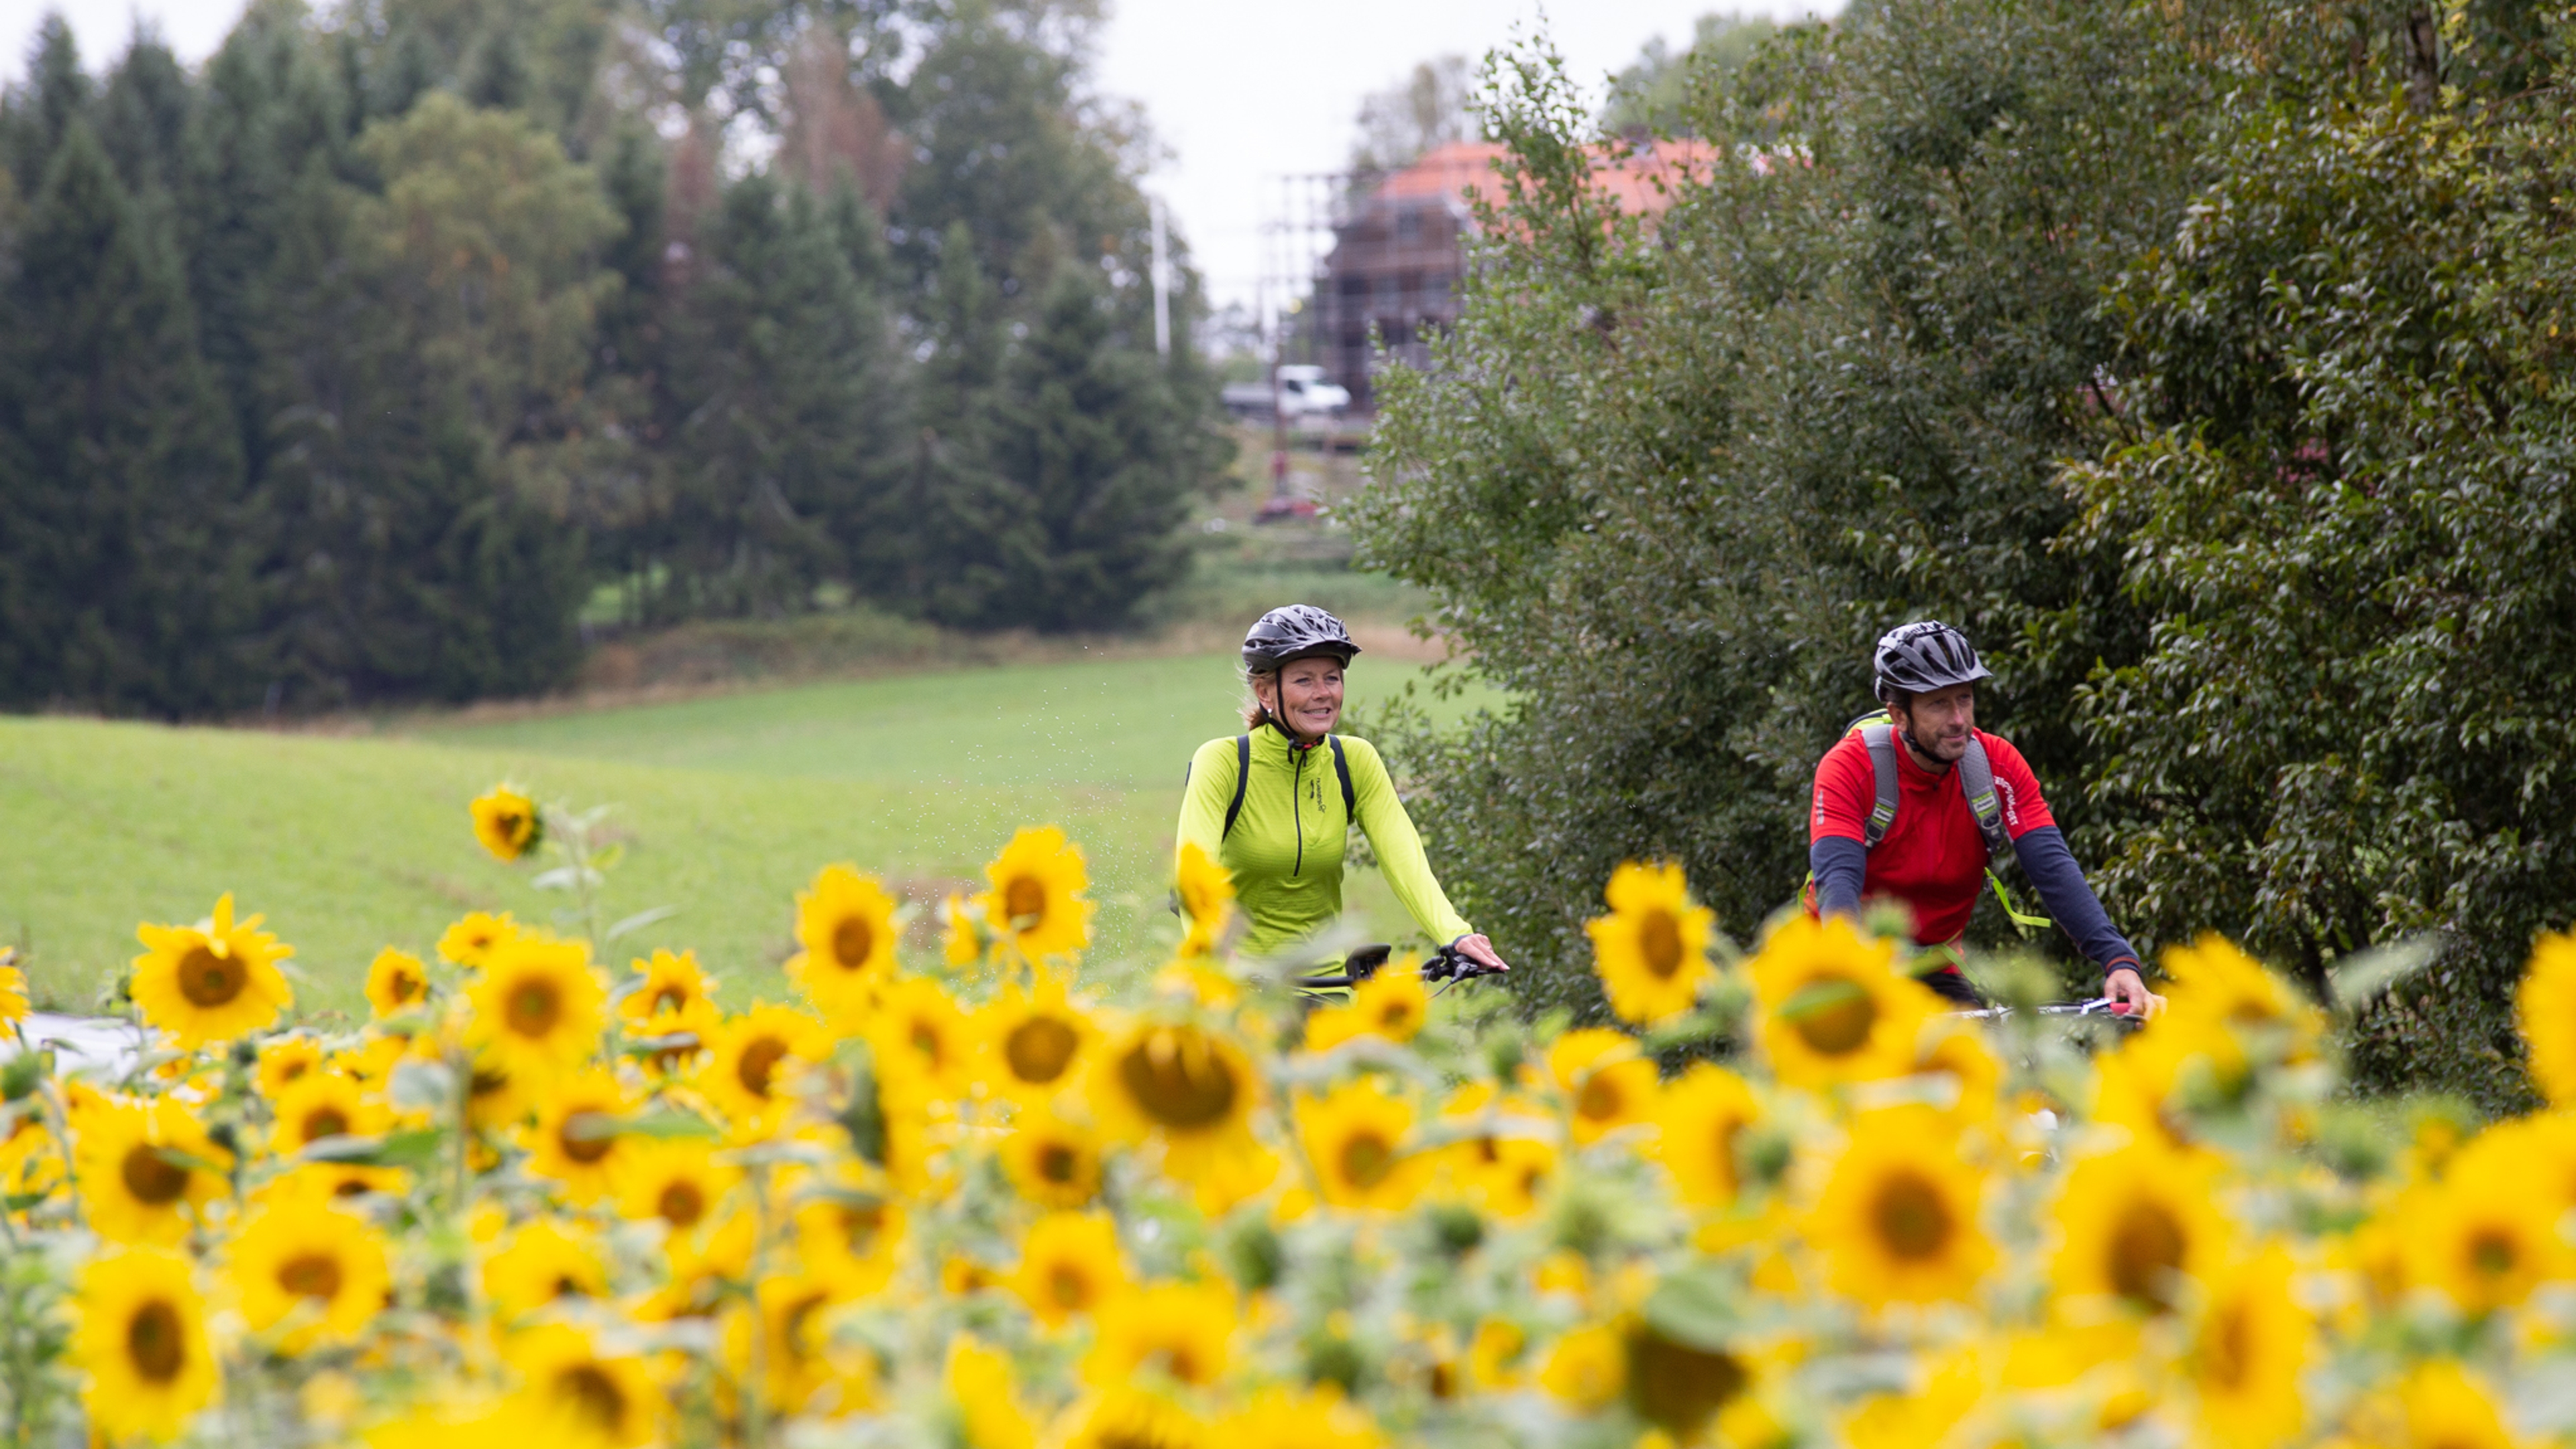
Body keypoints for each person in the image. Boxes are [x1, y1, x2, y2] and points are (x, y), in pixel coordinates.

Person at [1808, 621, 2163, 1016]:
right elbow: (1837, 879)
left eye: (1964, 698)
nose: (1959, 719)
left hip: (1932, 965)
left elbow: (2053, 867)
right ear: (1900, 715)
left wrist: (2118, 960)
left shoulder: (1998, 766)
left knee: (1981, 1070)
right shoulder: (1850, 766)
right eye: (1938, 704)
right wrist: (1851, 977)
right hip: (1838, 963)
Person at [1177, 605, 1507, 972]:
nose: (1323, 693)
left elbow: (1404, 857)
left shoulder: (1354, 760)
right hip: (1241, 984)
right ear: (1265, 694)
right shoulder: (1224, 762)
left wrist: (1456, 935)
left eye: (1332, 679)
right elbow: (1194, 873)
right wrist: (1213, 948)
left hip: (1326, 984)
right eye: (1304, 681)